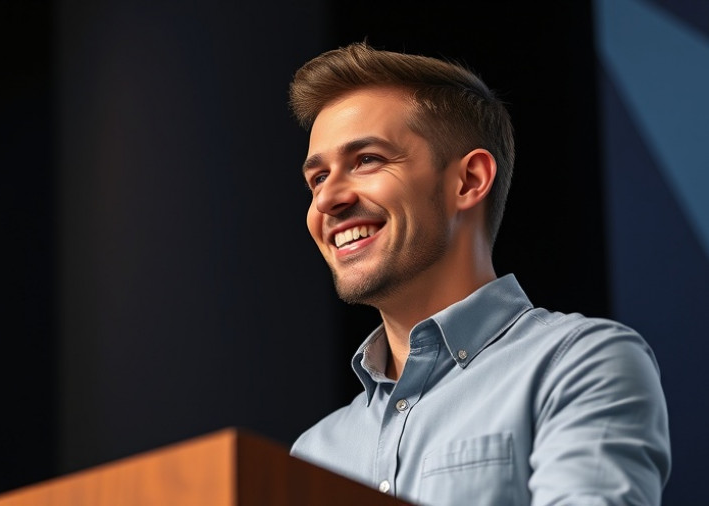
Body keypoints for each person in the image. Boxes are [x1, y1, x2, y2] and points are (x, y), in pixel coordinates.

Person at [287, 41, 671, 506]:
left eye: (367, 160)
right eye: (318, 178)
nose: (327, 200)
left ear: (468, 181)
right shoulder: (309, 456)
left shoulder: (579, 364)